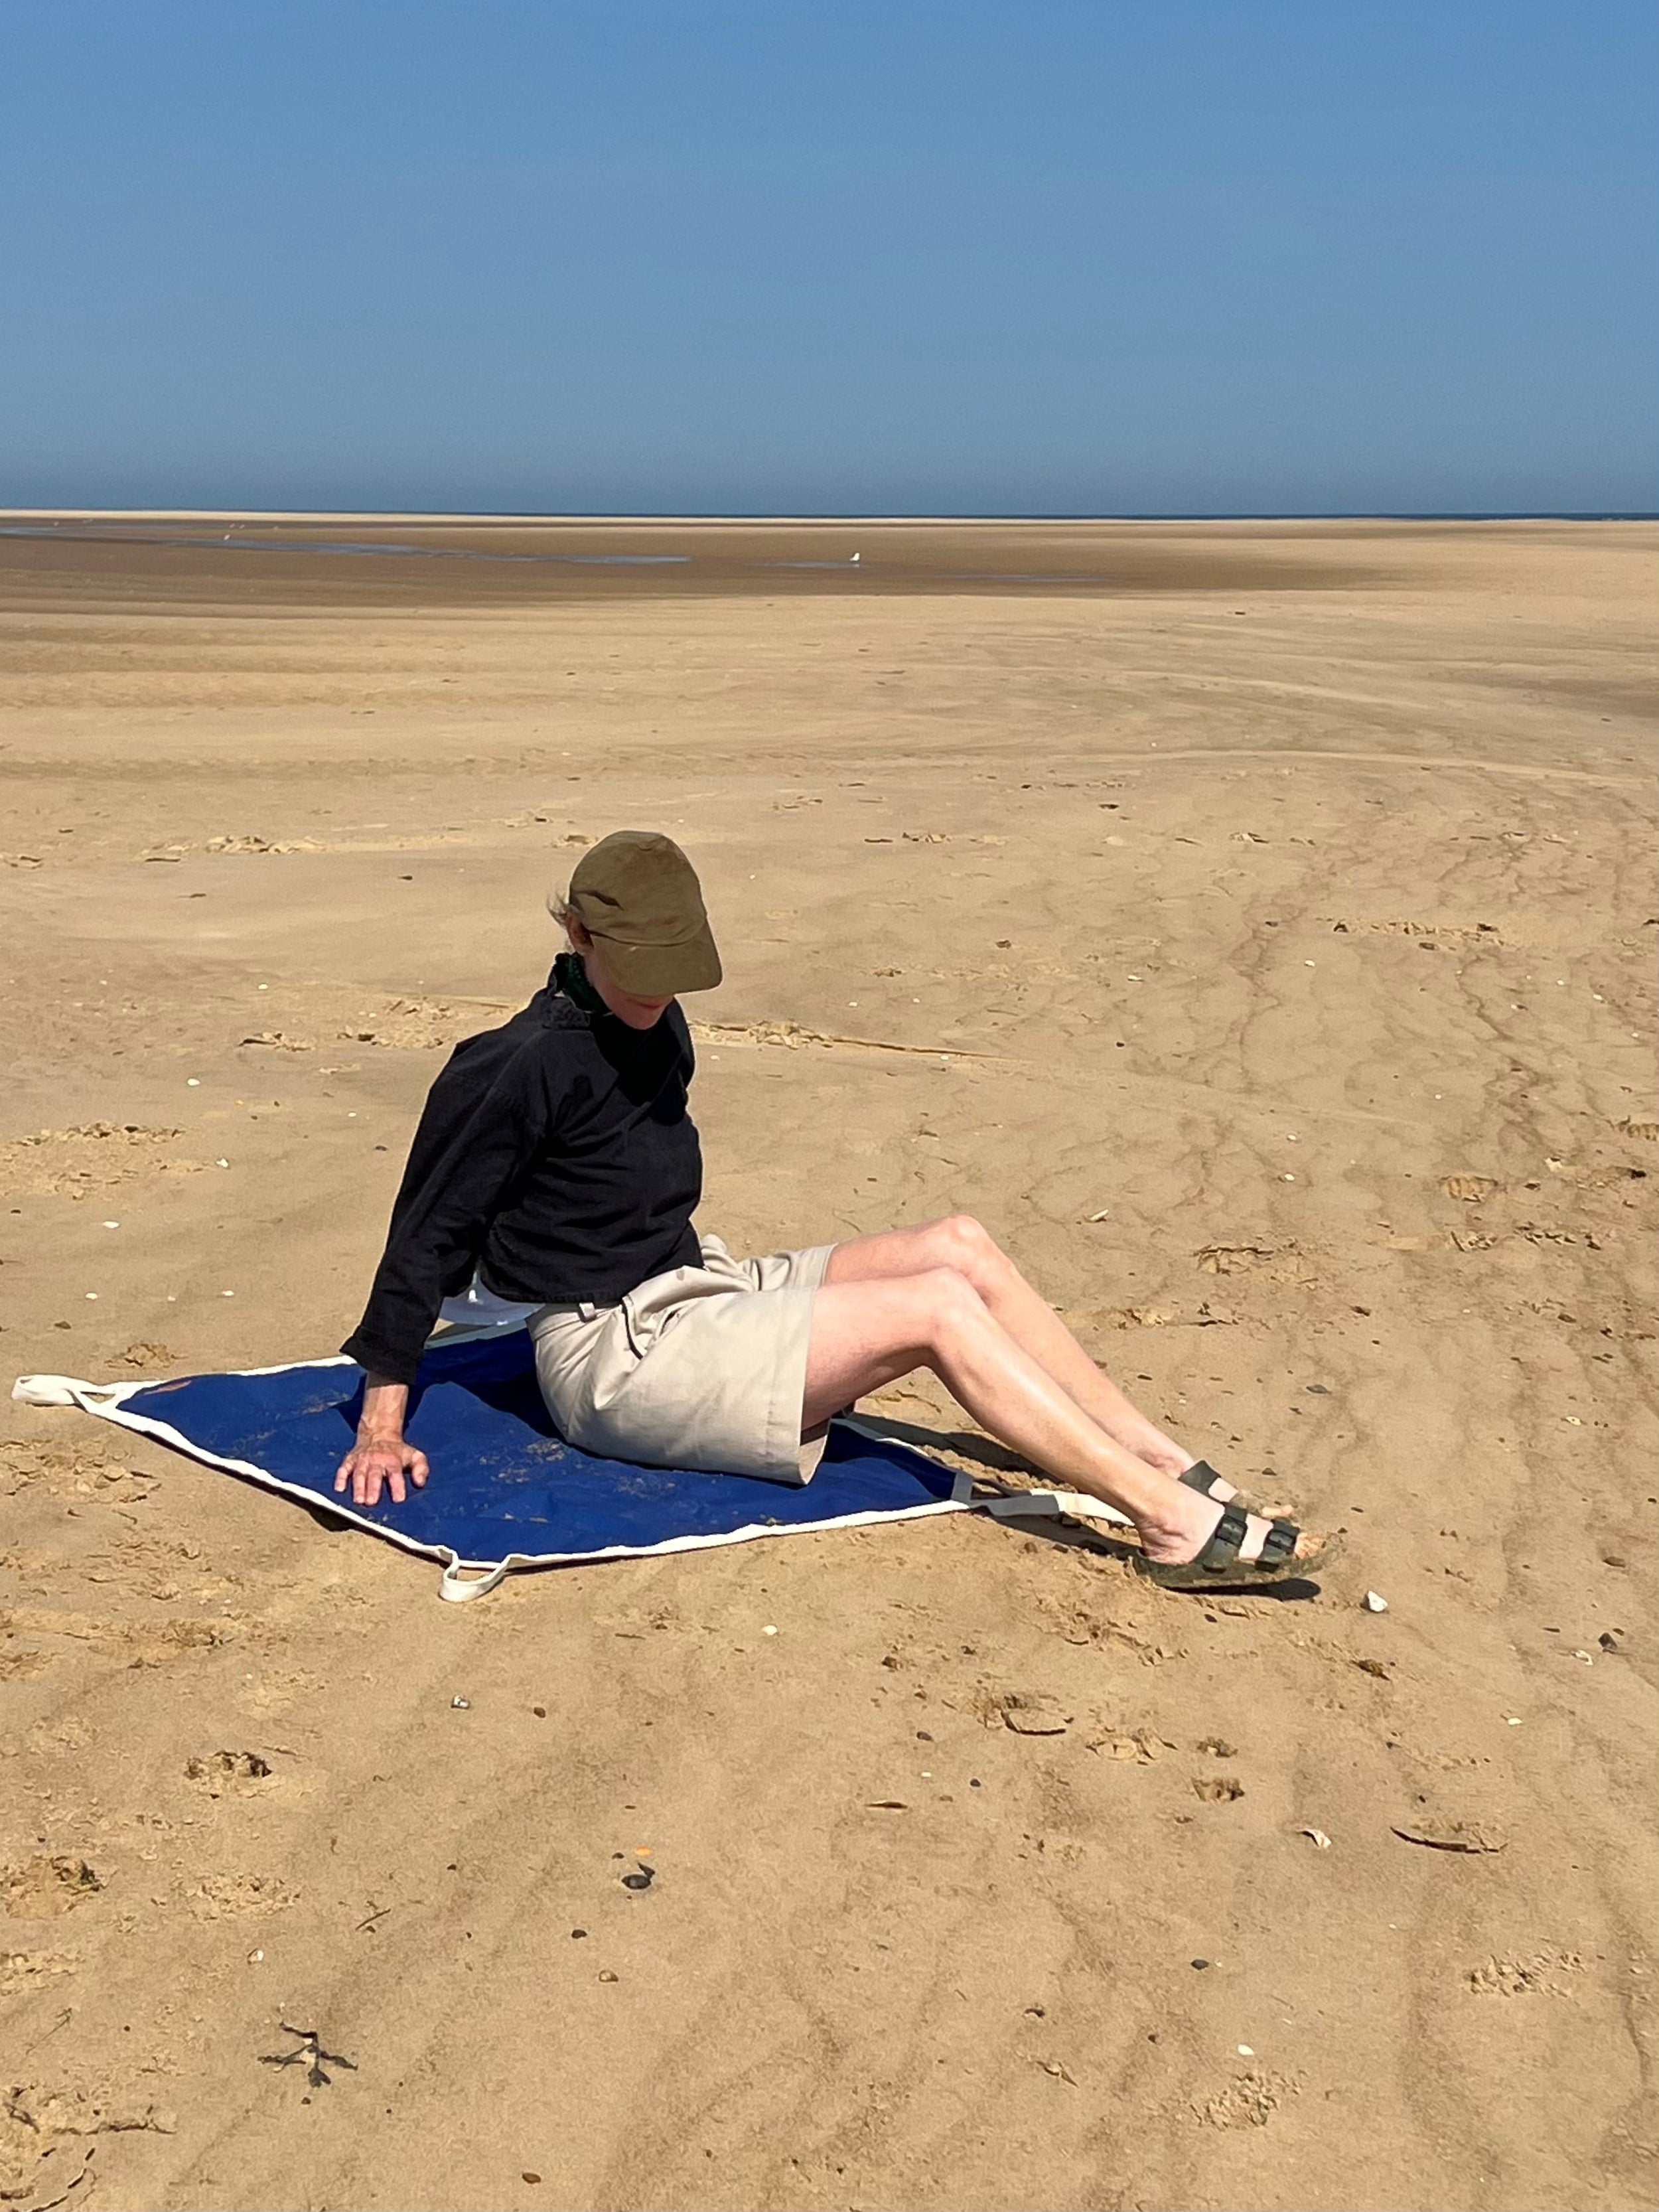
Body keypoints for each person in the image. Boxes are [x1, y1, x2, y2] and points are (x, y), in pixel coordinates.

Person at [336, 830, 1334, 1590]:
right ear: (577, 935)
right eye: (641, 968)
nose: (659, 993)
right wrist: (383, 1422)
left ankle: (1160, 1456)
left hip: (695, 1284)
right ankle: (1166, 1522)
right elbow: (426, 1233)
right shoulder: (514, 1065)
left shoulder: (657, 1024)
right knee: (937, 1312)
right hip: (610, 1353)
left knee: (960, 1247)